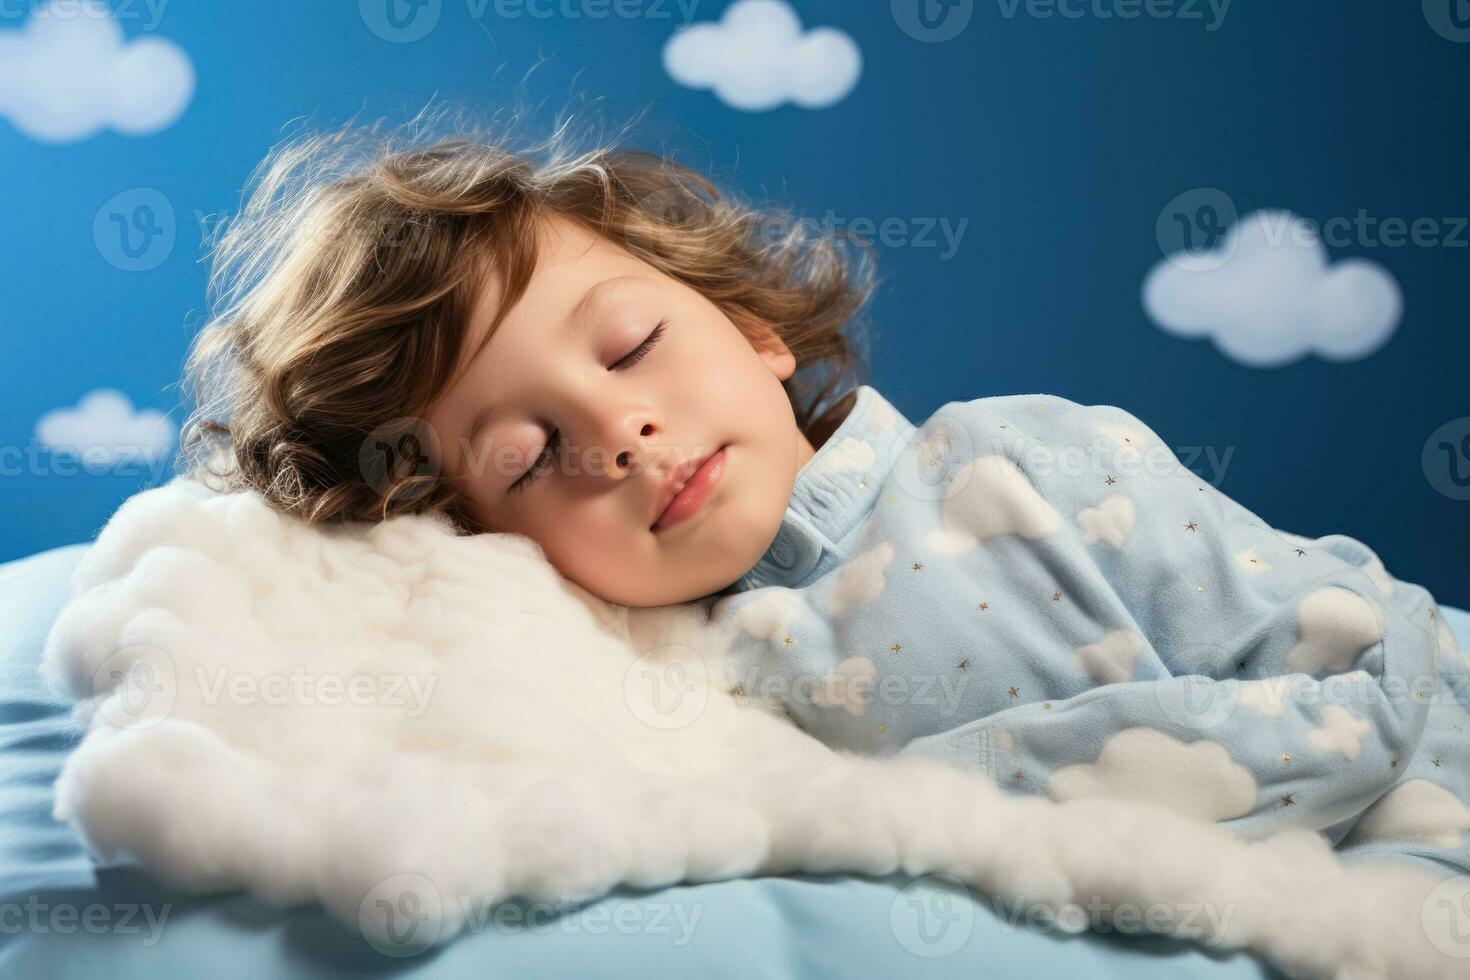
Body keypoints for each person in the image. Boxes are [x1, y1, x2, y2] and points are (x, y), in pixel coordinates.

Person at [179, 109, 1469, 878]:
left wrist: (939, 810)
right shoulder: (655, 698)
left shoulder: (1025, 460)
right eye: (526, 458)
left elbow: (1366, 666)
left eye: (631, 348)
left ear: (749, 328)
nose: (619, 432)